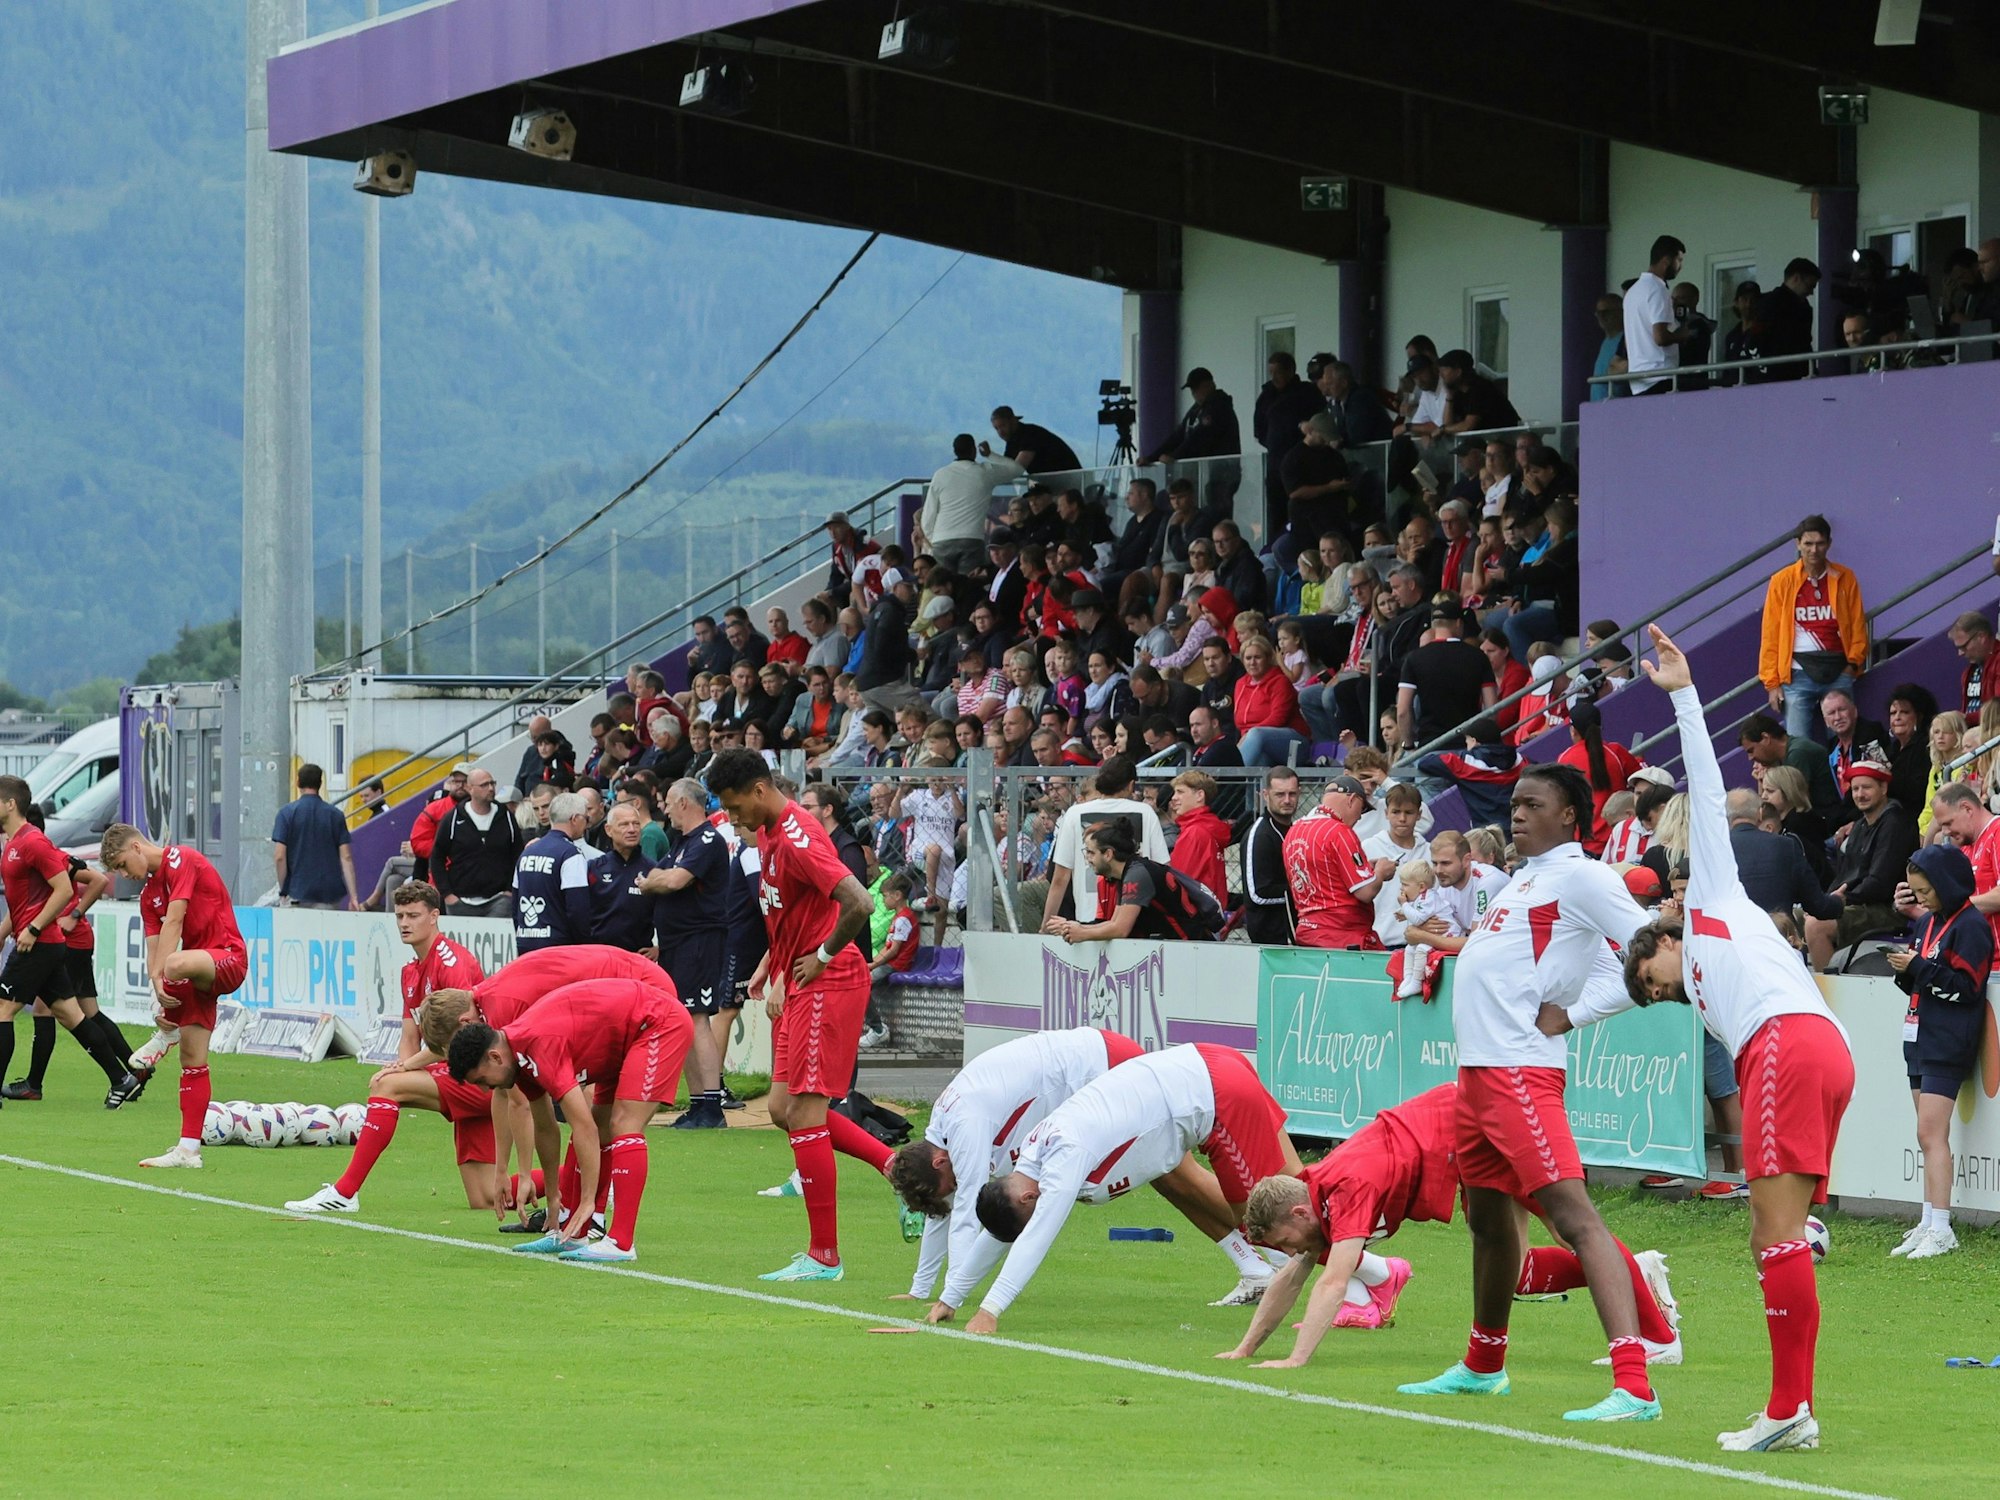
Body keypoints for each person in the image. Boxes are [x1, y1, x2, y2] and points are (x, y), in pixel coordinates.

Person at [1613, 625, 1856, 1451]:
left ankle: (1791, 1412)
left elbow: (1708, 800)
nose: (1662, 986)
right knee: (1770, 1233)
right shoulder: (1707, 982)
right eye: (1653, 992)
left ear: (1666, 935)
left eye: (1654, 974)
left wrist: (1683, 694)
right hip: (1814, 1048)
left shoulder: (1713, 895)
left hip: (1789, 1046)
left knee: (1773, 1233)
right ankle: (1792, 1399)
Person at [1396, 763, 1677, 1423]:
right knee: (1488, 1224)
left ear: (1570, 818)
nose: (1517, 814)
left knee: (1575, 1218)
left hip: (1520, 1073)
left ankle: (1635, 1386)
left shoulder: (1583, 876)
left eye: (1531, 805)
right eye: (1514, 804)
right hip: (1478, 1075)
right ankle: (1483, 1366)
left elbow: (1644, 954)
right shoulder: (1527, 878)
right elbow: (1604, 964)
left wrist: (1573, 1015)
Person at [706, 749, 915, 1280]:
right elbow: (796, 915)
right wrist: (768, 965)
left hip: (829, 980)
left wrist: (818, 959)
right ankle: (897, 1169)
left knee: (803, 1113)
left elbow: (859, 905)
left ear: (758, 790)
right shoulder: (769, 833)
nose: (732, 818)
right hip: (798, 980)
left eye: (734, 807)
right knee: (783, 1109)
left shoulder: (797, 835)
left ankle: (826, 1256)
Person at [971, 1043, 1301, 1332]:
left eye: (1034, 1212)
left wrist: (991, 1309)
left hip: (1217, 1092)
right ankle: (1272, 1273)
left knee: (1266, 1217)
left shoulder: (1063, 1159)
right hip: (1207, 1061)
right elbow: (1005, 1221)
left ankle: (1343, 1286)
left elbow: (1036, 1237)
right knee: (1300, 1187)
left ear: (1028, 1198)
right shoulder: (1029, 1154)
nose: (1040, 1213)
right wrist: (951, 1296)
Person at [889, 1027, 1171, 1320]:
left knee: (1174, 1175)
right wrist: (920, 1288)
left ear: (938, 1164)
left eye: (949, 1184)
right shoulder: (941, 1132)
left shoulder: (965, 1125)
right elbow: (946, 1208)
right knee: (1175, 1175)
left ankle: (1226, 1245)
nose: (953, 1186)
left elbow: (966, 1213)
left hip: (1106, 1062)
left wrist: (952, 1296)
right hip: (1096, 1056)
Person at [283, 881, 495, 1215]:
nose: (404, 923)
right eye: (399, 916)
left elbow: (463, 1040)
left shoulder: (451, 963)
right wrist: (402, 1065)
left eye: (413, 915)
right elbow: (409, 1037)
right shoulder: (410, 972)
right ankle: (583, 1179)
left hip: (480, 1077)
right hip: (459, 1077)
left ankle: (344, 1192)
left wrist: (403, 1073)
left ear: (435, 917)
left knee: (386, 1085)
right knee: (486, 1198)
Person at [448, 977, 694, 1262]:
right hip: (622, 1037)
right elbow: (546, 1129)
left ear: (494, 1057)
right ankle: (571, 1235)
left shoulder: (539, 1046)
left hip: (658, 1023)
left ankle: (621, 1242)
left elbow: (583, 1127)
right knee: (601, 1123)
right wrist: (554, 1198)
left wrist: (588, 1202)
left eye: (481, 1080)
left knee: (623, 1124)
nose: (486, 1089)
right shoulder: (518, 1058)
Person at [1221, 1087, 1461, 1365]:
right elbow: (1289, 1278)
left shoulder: (1346, 1193)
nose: (1288, 1252)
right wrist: (1245, 1348)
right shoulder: (1314, 1194)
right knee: (1504, 1261)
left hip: (1476, 1117)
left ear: (1299, 1213)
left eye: (1286, 1241)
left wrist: (1296, 1359)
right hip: (1458, 1126)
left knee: (1507, 1264)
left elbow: (1334, 1282)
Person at [103, 823, 246, 1165]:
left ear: (137, 848)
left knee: (174, 964)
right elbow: (153, 948)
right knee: (192, 1060)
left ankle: (166, 1033)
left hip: (225, 956)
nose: (124, 874)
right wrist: (158, 998)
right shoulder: (148, 895)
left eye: (123, 865)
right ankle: (188, 1150)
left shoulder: (181, 859)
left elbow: (175, 921)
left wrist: (160, 976)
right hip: (194, 973)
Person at [0, 784, 141, 1108]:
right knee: (71, 1015)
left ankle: (28, 1084)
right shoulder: (13, 843)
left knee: (3, 1009)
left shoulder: (33, 841)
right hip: (44, 943)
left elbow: (64, 889)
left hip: (39, 944)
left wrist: (34, 928)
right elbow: (22, 900)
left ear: (10, 804)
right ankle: (122, 1079)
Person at [1885, 843, 1992, 1262]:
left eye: (1926, 891)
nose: (1922, 900)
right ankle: (1928, 1220)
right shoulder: (1928, 923)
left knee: (1932, 1134)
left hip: (1949, 1039)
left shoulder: (1972, 926)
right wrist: (1905, 971)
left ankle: (1943, 1226)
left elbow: (1967, 988)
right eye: (1917, 891)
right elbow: (1923, 977)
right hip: (1920, 1033)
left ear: (1947, 885)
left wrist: (1917, 969)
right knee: (1926, 1133)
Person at [637, 778, 735, 1129]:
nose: (664, 808)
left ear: (683, 803)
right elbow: (664, 872)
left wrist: (650, 883)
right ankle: (699, 1103)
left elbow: (674, 880)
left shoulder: (708, 839)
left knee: (696, 1018)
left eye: (667, 802)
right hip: (679, 943)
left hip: (700, 941)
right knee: (685, 1019)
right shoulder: (684, 842)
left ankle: (712, 1104)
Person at [1803, 759, 1921, 969]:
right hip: (1859, 903)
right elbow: (1844, 875)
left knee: (1816, 926)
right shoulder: (1859, 825)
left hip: (1888, 909)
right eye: (1855, 789)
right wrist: (1824, 902)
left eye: (1866, 787)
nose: (1860, 794)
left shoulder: (1895, 823)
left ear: (1883, 788)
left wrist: (1841, 900)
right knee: (1794, 915)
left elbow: (1879, 883)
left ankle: (1828, 997)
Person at [1757, 516, 1866, 742]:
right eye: (1808, 544)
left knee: (1844, 741)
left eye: (1819, 543)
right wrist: (1772, 683)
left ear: (1829, 544)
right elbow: (1770, 634)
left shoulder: (1845, 577)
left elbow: (1857, 624)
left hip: (1839, 670)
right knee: (1798, 746)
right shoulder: (1782, 581)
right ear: (1798, 544)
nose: (1814, 550)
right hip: (1796, 674)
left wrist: (1852, 664)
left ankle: (1844, 779)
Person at [1043, 822, 1224, 944]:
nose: (1087, 859)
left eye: (1091, 853)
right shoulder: (1128, 872)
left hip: (1193, 945)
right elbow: (1112, 923)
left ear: (1108, 854)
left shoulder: (1137, 874)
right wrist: (1073, 925)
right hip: (1180, 945)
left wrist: (1081, 933)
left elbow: (1120, 929)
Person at [1040, 756, 1169, 926]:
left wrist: (1046, 925)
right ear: (1131, 785)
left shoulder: (1074, 813)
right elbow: (1162, 868)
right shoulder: (1145, 812)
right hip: (1135, 917)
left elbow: (1060, 878)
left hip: (1088, 916)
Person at [1284, 775, 1392, 951]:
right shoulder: (1340, 831)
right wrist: (1380, 872)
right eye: (1362, 808)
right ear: (1352, 800)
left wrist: (1364, 868)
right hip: (1345, 938)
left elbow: (1326, 874)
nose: (1359, 817)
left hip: (1308, 934)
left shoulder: (1294, 831)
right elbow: (1365, 892)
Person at [430, 766, 526, 922]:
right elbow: (436, 857)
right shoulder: (453, 818)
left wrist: (509, 890)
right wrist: (447, 894)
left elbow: (518, 855)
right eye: (484, 785)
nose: (490, 788)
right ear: (470, 789)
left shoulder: (506, 817)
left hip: (499, 900)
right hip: (460, 902)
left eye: (492, 783)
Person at [512, 790, 597, 952]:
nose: (587, 824)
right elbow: (577, 909)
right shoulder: (570, 854)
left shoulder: (527, 852)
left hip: (526, 942)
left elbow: (515, 903)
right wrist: (584, 945)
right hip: (559, 946)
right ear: (575, 819)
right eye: (586, 819)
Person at [272, 763, 360, 910]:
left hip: (297, 891)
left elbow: (280, 856)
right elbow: (346, 857)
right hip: (329, 894)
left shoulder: (286, 814)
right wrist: (354, 896)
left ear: (298, 782)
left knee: (297, 933)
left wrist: (284, 889)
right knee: (327, 933)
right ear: (320, 783)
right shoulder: (335, 815)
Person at [1621, 235, 1693, 395]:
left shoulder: (1633, 292)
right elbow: (1660, 337)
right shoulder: (1658, 289)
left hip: (1638, 379)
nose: (1680, 266)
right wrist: (1682, 335)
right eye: (1679, 260)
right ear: (1666, 260)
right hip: (1660, 375)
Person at [1239, 767, 1301, 944]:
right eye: (1280, 794)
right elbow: (1258, 893)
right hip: (1270, 939)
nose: (1287, 800)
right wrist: (1303, 891)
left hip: (1293, 935)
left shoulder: (1295, 830)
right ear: (1265, 795)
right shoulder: (1260, 835)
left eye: (1292, 794)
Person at [1166, 771, 1231, 907]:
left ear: (1199, 795)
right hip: (1209, 910)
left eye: (1180, 792)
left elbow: (1179, 880)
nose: (1174, 798)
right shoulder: (1208, 827)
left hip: (1193, 914)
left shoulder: (1194, 832)